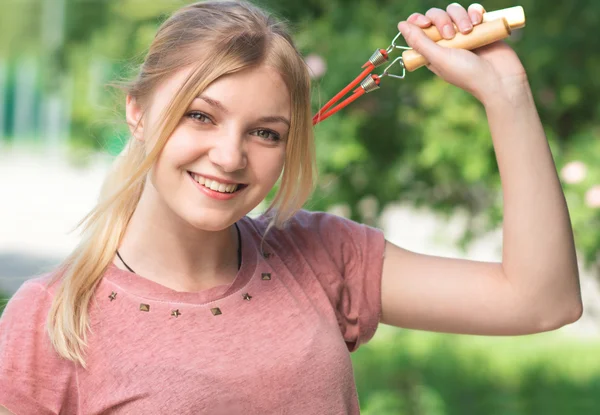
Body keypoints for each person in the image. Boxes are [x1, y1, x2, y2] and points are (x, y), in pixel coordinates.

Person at [0, 1, 582, 414]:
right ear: (138, 111)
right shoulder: (49, 319)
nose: (229, 156)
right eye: (200, 116)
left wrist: (506, 94)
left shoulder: (321, 256)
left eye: (266, 133)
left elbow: (542, 300)